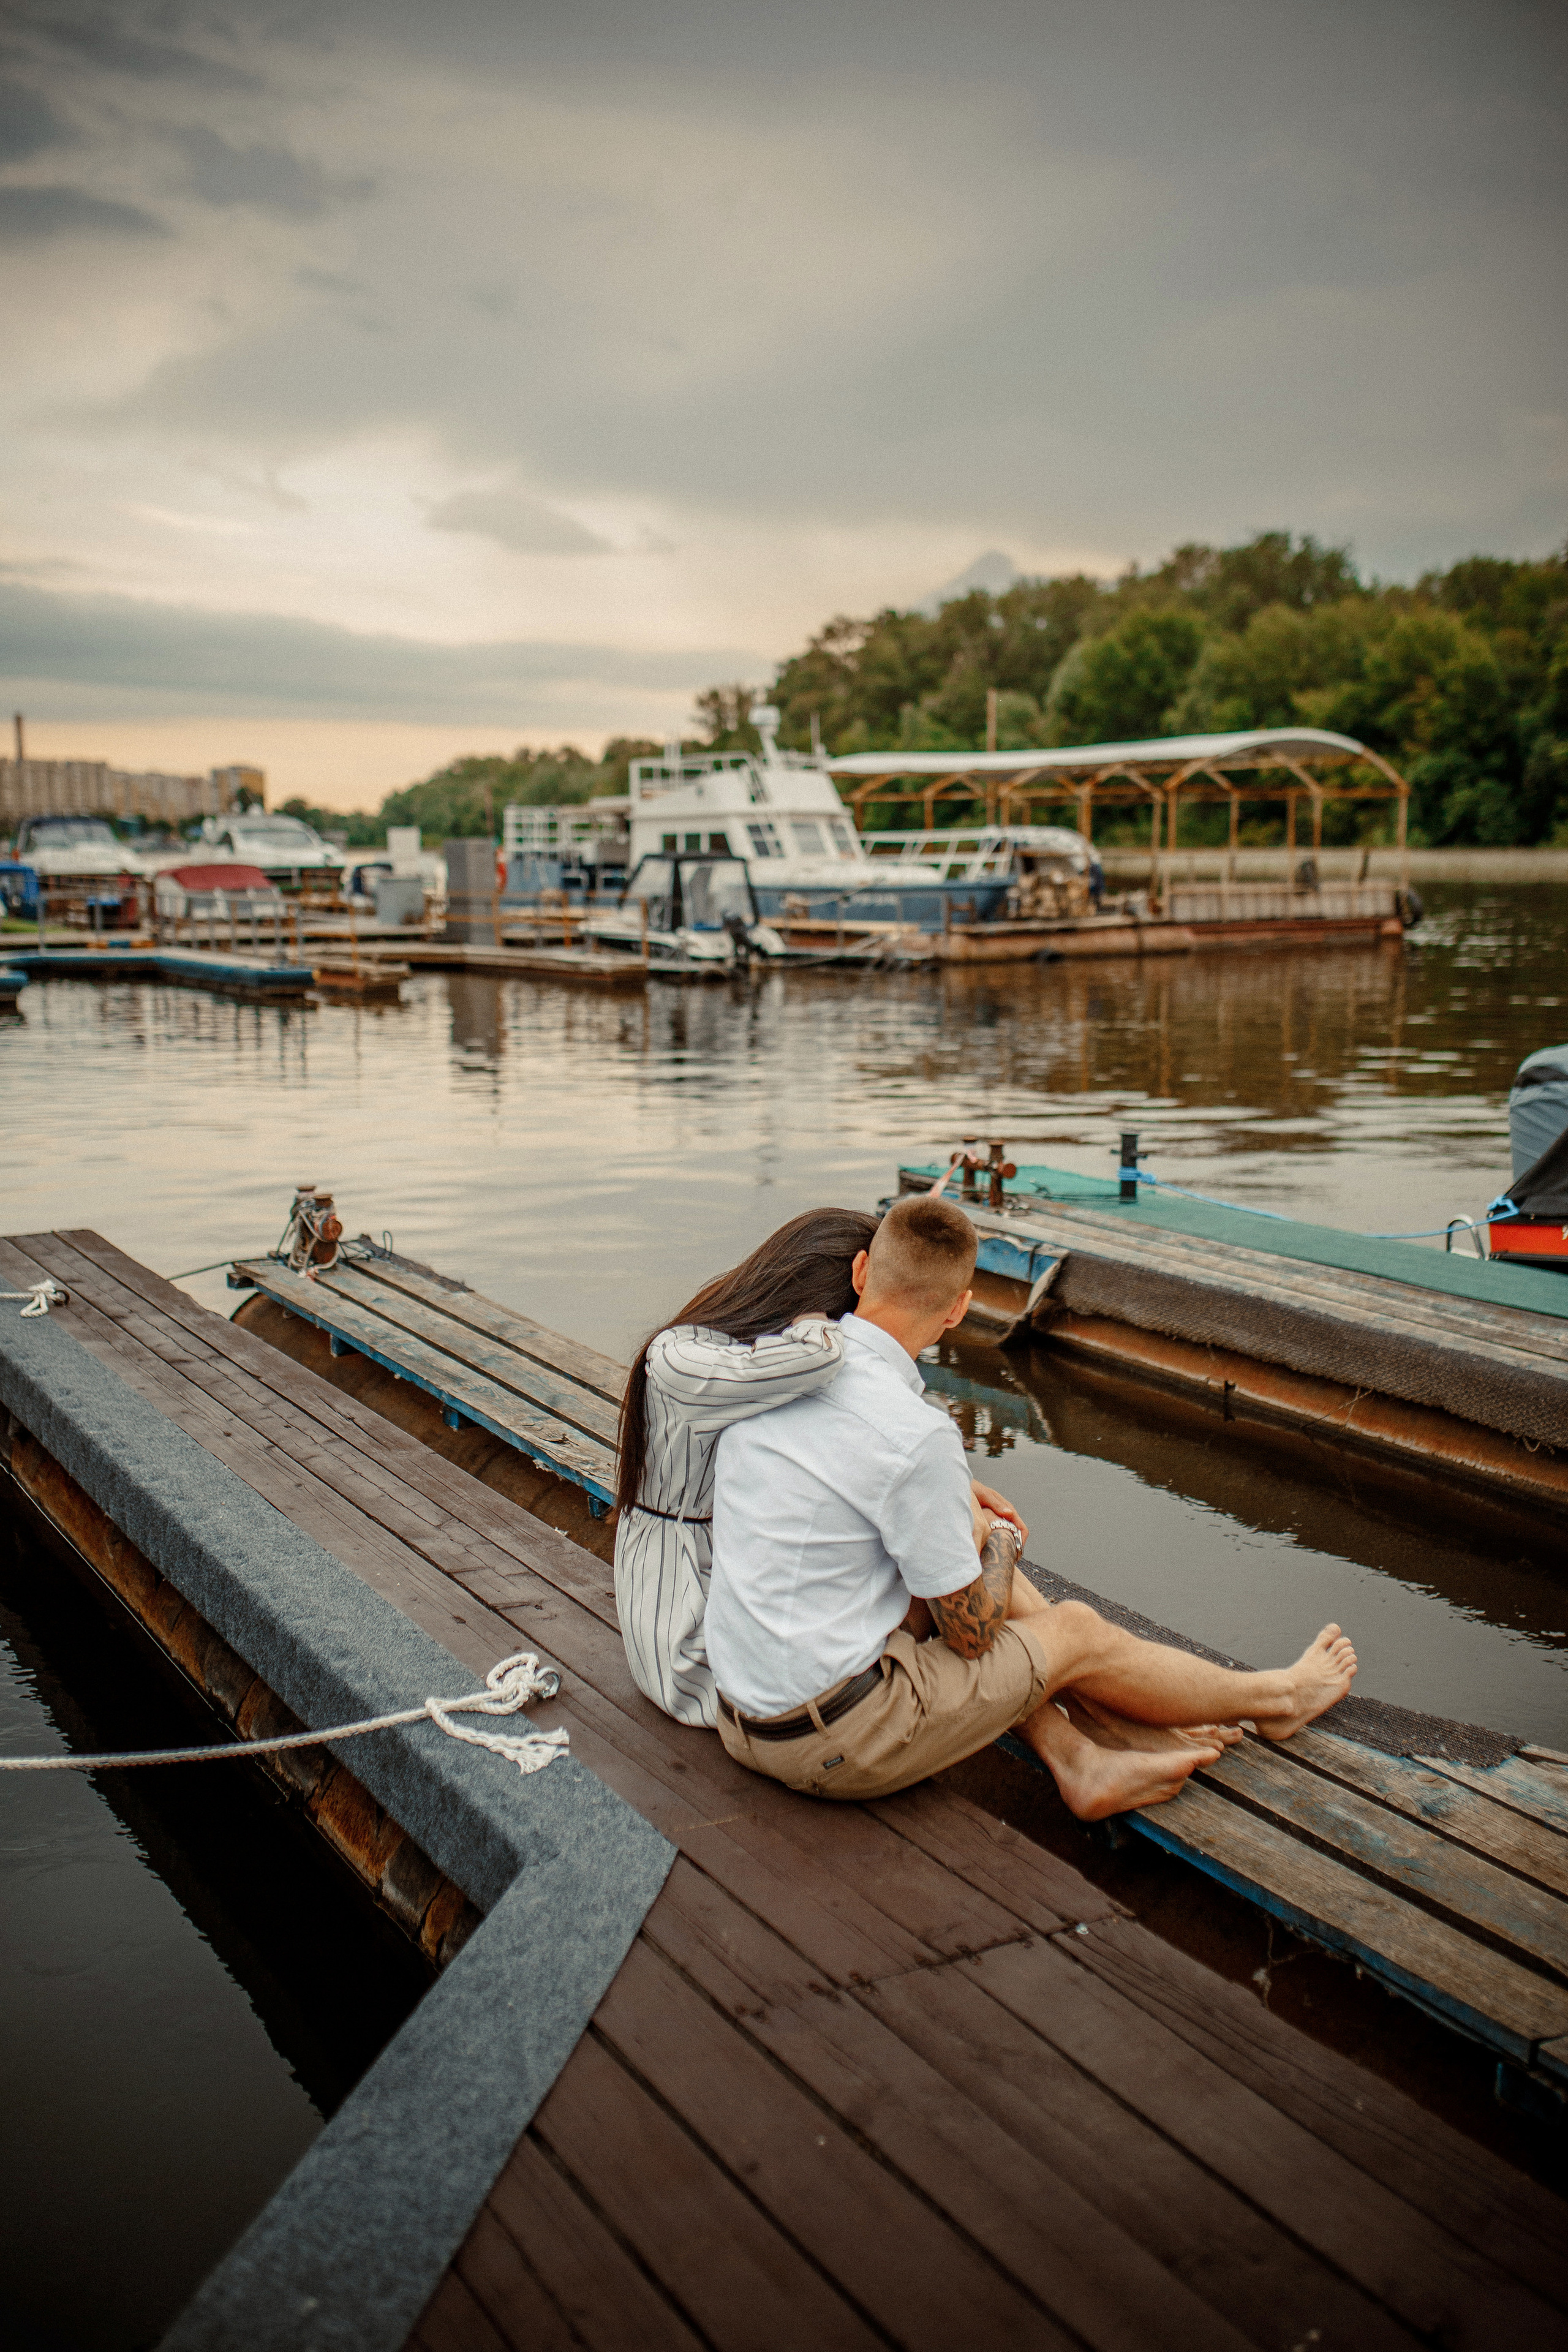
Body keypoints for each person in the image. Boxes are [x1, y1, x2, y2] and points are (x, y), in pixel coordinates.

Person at [706, 1192, 1357, 1817]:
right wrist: (999, 1539)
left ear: (860, 1271)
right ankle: (1276, 1698)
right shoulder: (914, 1432)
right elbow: (970, 1635)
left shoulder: (775, 1364)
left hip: (744, 1718)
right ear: (960, 1308)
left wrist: (963, 1510)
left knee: (959, 1540)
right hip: (838, 1746)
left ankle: (1091, 1746)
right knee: (1072, 1627)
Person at [614, 1208, 878, 1726]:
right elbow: (819, 1359)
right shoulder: (680, 1354)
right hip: (686, 1633)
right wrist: (815, 1318)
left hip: (724, 1584)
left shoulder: (756, 1355)